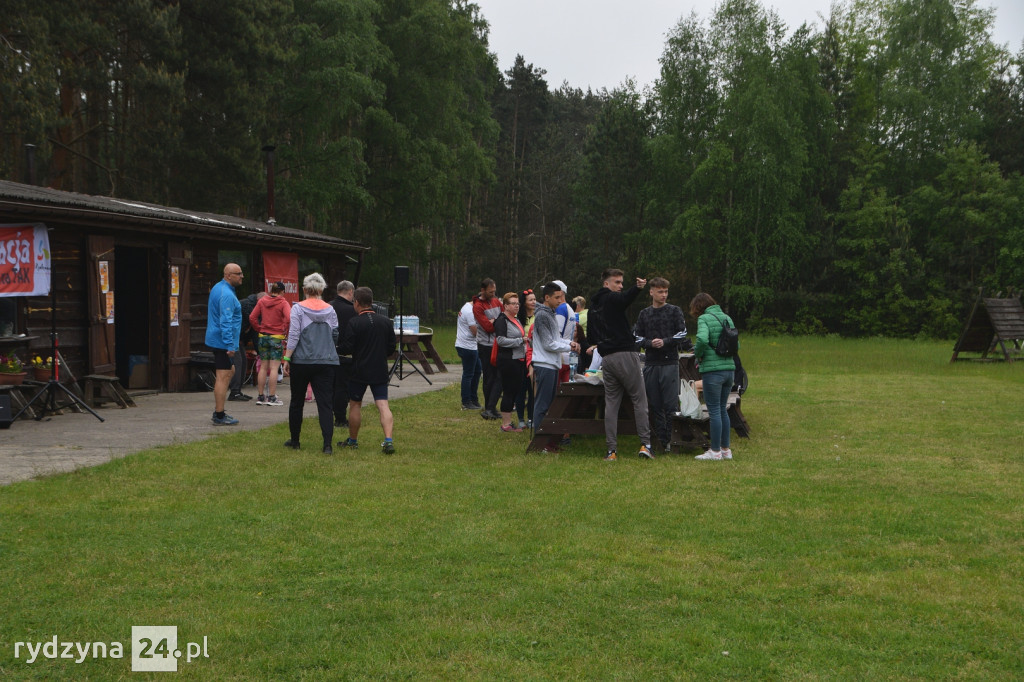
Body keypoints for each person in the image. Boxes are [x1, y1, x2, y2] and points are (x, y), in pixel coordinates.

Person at [589, 268, 653, 461]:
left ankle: (611, 451)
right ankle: (646, 445)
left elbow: (592, 336)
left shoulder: (593, 307)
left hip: (606, 358)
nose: (620, 286)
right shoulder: (610, 298)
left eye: (622, 282)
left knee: (611, 405)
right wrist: (637, 288)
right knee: (639, 400)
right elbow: (624, 299)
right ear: (606, 284)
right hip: (625, 353)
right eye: (617, 282)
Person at [282, 273, 339, 454]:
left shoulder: (298, 308)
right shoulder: (330, 309)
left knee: (297, 402)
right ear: (322, 290)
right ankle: (327, 445)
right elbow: (335, 333)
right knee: (325, 404)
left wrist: (287, 358)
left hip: (301, 361)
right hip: (325, 361)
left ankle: (295, 441)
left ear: (305, 290)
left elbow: (294, 334)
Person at [634, 276, 690, 453]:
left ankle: (673, 441)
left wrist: (665, 341)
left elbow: (683, 334)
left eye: (666, 292)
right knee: (655, 404)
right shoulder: (644, 314)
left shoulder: (674, 311)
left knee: (671, 404)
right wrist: (650, 343)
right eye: (660, 291)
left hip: (670, 362)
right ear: (651, 292)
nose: (663, 295)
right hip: (651, 363)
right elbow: (636, 337)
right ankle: (660, 440)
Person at [339, 286, 398, 454]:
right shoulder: (386, 322)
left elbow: (347, 347)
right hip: (379, 369)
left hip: (359, 370)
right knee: (383, 405)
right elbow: (391, 347)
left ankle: (353, 440)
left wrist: (336, 347)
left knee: (355, 405)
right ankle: (388, 440)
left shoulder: (354, 322)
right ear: (371, 302)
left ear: (356, 303)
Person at [532, 282, 580, 452]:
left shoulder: (550, 313)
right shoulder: (543, 316)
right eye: (557, 297)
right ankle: (539, 443)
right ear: (547, 298)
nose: (561, 300)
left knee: (549, 405)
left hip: (551, 364)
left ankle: (548, 442)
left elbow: (556, 339)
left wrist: (570, 343)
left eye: (562, 296)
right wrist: (569, 347)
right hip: (544, 364)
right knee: (543, 405)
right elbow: (548, 344)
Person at [690, 292, 737, 461]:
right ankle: (726, 450)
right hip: (729, 369)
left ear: (698, 307)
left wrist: (698, 354)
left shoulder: (704, 319)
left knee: (714, 411)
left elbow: (702, 339)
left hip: (712, 371)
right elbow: (736, 343)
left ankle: (715, 451)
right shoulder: (726, 317)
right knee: (723, 410)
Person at [205, 263, 244, 425]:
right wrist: (229, 345)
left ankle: (219, 412)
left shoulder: (219, 287)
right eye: (238, 273)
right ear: (228, 275)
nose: (242, 276)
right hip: (222, 342)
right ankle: (219, 415)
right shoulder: (226, 294)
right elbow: (225, 321)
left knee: (230, 371)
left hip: (220, 340)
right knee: (222, 376)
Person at [249, 282, 290, 406]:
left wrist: (259, 328)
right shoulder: (283, 303)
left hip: (263, 337)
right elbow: (288, 318)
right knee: (274, 368)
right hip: (276, 337)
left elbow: (252, 317)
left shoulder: (262, 301)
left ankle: (261, 396)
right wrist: (285, 330)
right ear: (282, 291)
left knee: (263, 367)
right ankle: (272, 397)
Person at [492, 292, 528, 432]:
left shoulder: (516, 319)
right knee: (508, 391)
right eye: (513, 303)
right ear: (505, 306)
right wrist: (520, 341)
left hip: (518, 359)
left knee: (514, 390)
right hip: (507, 360)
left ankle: (508, 422)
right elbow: (500, 340)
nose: (516, 306)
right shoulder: (502, 320)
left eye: (518, 303)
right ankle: (505, 424)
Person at [472, 278, 503, 420]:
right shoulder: (478, 306)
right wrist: (497, 322)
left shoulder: (496, 301)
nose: (493, 294)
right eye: (490, 292)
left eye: (494, 291)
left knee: (498, 376)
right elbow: (488, 327)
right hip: (486, 345)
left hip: (497, 343)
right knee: (489, 377)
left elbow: (504, 317)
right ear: (483, 290)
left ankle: (491, 406)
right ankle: (489, 407)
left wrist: (496, 321)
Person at [329, 280, 357, 426]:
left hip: (327, 353)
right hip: (344, 354)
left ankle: (328, 413)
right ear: (351, 292)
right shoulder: (352, 310)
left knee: (330, 386)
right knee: (342, 387)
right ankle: (340, 418)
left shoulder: (328, 306)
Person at [229, 290, 262, 401]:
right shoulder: (248, 306)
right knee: (238, 363)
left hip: (239, 339)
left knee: (243, 362)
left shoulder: (255, 307)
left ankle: (238, 391)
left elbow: (254, 330)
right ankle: (234, 392)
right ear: (259, 301)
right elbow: (255, 328)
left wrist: (259, 351)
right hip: (233, 338)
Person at [514, 288, 537, 428]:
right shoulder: (518, 319)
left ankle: (531, 418)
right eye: (531, 300)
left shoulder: (538, 317)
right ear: (525, 302)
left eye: (535, 299)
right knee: (520, 389)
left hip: (533, 357)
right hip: (520, 357)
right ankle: (521, 418)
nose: (534, 302)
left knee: (532, 388)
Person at [455, 297, 483, 410]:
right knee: (468, 374)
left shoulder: (467, 306)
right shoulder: (470, 311)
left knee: (477, 371)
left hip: (470, 346)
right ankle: (466, 401)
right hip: (467, 347)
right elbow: (474, 330)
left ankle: (473, 398)